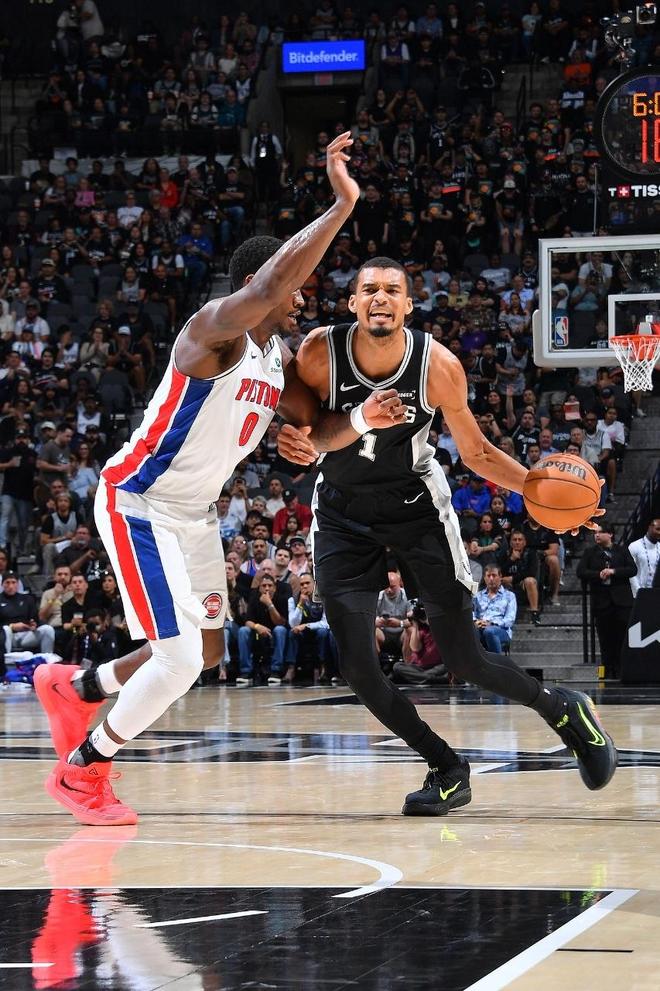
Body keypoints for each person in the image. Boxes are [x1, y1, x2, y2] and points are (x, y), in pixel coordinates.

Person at [35, 133, 405, 825]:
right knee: (176, 660)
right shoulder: (213, 331)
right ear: (265, 282)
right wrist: (340, 207)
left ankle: (76, 688)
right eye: (294, 287)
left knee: (205, 651)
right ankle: (83, 770)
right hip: (140, 502)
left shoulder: (275, 359)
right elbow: (270, 286)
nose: (302, 298)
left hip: (196, 516)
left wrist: (354, 422)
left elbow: (316, 429)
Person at [279, 255, 615, 817]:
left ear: (409, 305)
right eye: (370, 289)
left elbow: (477, 452)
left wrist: (542, 494)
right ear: (353, 303)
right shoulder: (319, 352)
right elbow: (300, 423)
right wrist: (290, 438)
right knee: (359, 670)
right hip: (341, 513)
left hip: (416, 509)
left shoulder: (437, 365)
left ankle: (563, 709)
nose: (380, 298)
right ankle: (447, 767)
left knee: (466, 657)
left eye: (392, 290)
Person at [577, 524, 636, 678]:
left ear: (610, 534)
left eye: (600, 532)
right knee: (605, 638)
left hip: (622, 602)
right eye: (595, 533)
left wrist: (614, 571)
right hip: (602, 601)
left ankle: (622, 669)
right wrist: (598, 574)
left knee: (622, 637)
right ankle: (608, 670)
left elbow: (632, 569)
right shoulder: (590, 552)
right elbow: (581, 571)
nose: (596, 535)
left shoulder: (621, 550)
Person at [0, 571, 56, 655]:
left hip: (26, 635)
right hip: (7, 635)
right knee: (6, 629)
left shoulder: (27, 599)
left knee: (48, 629)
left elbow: (35, 618)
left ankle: (46, 658)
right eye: (7, 583)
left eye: (13, 582)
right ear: (2, 584)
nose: (10, 586)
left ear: (18, 584)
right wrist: (12, 626)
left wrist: (34, 624)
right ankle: (5, 659)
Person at [473, 565, 517, 654]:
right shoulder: (477, 596)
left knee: (489, 631)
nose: (491, 579)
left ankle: (497, 661)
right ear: (484, 578)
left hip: (500, 630)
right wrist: (475, 621)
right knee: (471, 632)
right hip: (480, 627)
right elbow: (471, 612)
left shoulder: (509, 596)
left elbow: (510, 619)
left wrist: (492, 623)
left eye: (494, 575)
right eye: (488, 576)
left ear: (500, 577)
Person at [628, 518, 660, 597]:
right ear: (649, 527)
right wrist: (638, 591)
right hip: (639, 593)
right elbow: (630, 572)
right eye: (658, 529)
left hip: (656, 592)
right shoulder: (634, 546)